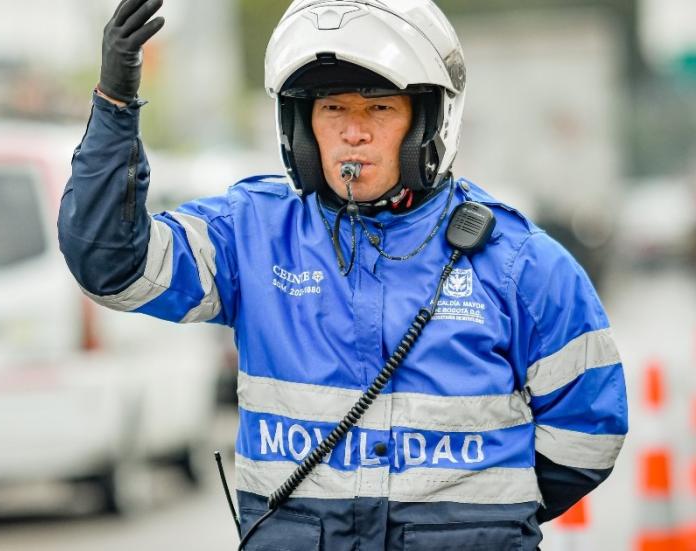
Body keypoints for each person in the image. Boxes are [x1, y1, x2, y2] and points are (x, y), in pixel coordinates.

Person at [57, 0, 628, 549]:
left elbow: (587, 436)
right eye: (333, 110)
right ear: (302, 126)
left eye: (379, 108)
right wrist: (115, 103)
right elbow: (112, 266)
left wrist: (471, 521)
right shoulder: (250, 234)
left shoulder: (520, 262)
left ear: (428, 121)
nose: (354, 133)